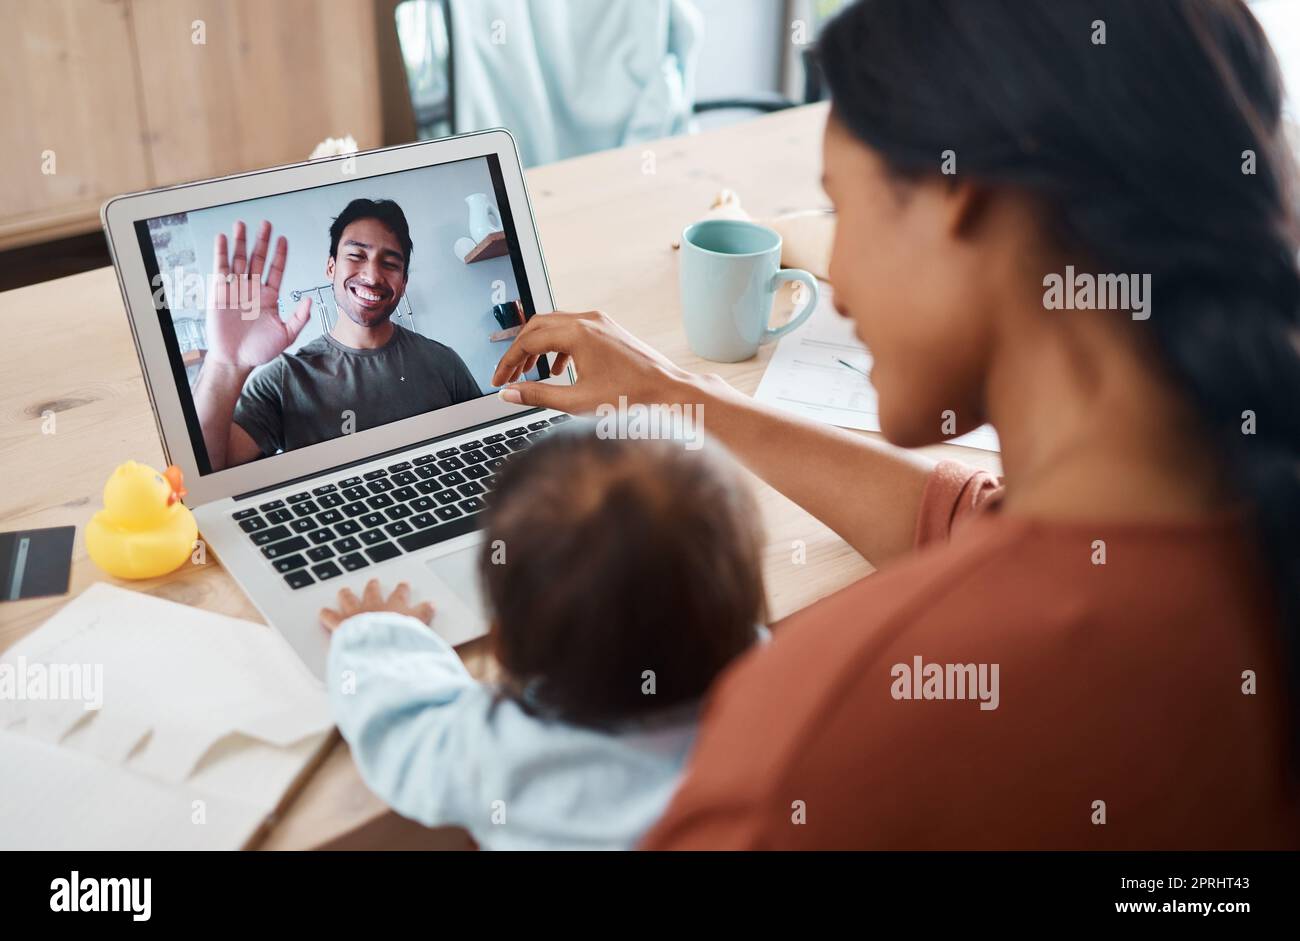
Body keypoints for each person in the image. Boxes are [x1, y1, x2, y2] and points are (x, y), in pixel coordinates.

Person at [491, 0, 1300, 848]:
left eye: (843, 210)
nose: (835, 278)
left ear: (959, 193)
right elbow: (983, 528)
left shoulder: (815, 745)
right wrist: (678, 393)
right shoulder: (1227, 526)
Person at [318, 427, 767, 850]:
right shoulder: (782, 710)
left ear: (503, 647)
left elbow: (401, 731)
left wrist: (372, 631)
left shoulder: (501, 758)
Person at [192, 198, 481, 470]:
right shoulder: (284, 380)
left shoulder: (443, 362)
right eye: (356, 255)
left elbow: (484, 448)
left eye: (390, 264)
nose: (372, 276)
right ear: (331, 267)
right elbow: (210, 472)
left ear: (403, 283)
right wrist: (225, 364)